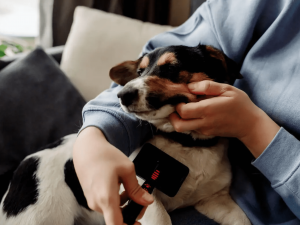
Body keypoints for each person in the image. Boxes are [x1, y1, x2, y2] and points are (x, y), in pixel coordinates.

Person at [73, 0, 300, 224]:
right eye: (140, 73)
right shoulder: (250, 7)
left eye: (170, 68)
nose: (129, 89)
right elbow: (162, 54)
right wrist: (94, 136)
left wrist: (253, 128)